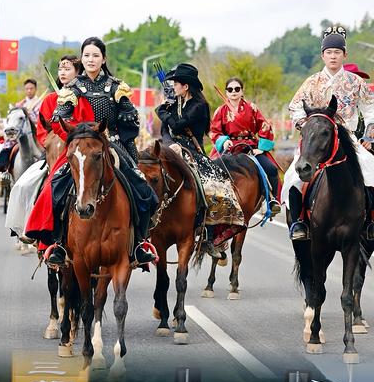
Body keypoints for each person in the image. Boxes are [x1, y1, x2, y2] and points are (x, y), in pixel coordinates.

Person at [24, 36, 158, 269]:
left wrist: (127, 116)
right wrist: (64, 121)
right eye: (86, 55)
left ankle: (139, 243)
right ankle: (58, 244)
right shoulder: (72, 88)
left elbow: (131, 118)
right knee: (55, 187)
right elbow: (62, 115)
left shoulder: (117, 86)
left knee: (145, 191)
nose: (91, 59)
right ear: (82, 58)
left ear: (103, 58)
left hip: (114, 145)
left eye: (96, 55)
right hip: (83, 147)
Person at [285, 25, 374, 240]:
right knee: (292, 177)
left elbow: (370, 109)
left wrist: (369, 135)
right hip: (316, 140)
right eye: (329, 52)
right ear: (322, 55)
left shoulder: (356, 82)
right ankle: (298, 222)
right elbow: (295, 107)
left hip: (348, 140)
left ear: (344, 55)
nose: (333, 56)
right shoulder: (311, 82)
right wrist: (306, 127)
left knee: (371, 169)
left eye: (337, 52)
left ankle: (369, 222)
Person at [156, 63, 245, 259]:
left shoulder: (199, 106)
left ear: (185, 86)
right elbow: (165, 130)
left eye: (176, 83)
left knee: (214, 188)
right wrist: (170, 144)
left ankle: (209, 234)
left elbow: (178, 125)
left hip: (192, 151)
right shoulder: (175, 103)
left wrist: (162, 111)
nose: (173, 86)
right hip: (170, 148)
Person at [5, 55, 89, 239]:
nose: (63, 72)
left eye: (68, 69)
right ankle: (30, 226)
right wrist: (51, 141)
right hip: (54, 150)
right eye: (61, 69)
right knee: (22, 184)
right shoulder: (51, 99)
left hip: (81, 149)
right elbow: (42, 129)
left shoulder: (85, 96)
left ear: (78, 72)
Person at [209, 76, 281, 214]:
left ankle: (271, 201)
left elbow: (265, 126)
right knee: (212, 170)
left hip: (250, 147)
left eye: (237, 89)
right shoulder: (220, 111)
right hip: (229, 147)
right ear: (226, 92)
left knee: (271, 169)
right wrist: (224, 141)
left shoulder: (252, 108)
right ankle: (211, 202)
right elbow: (214, 131)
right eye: (230, 89)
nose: (234, 92)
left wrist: (261, 148)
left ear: (242, 91)